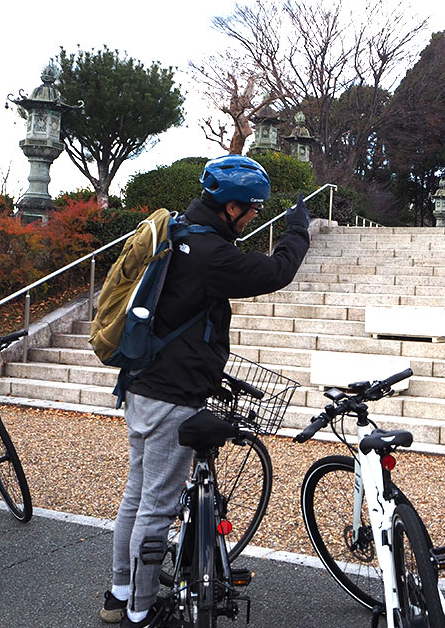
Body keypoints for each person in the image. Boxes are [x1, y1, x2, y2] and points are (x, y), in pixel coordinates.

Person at [99, 154, 311, 627]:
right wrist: (298, 230)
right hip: (172, 395)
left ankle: (119, 593)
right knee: (155, 506)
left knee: (137, 496)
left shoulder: (180, 233)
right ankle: (141, 610)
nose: (256, 214)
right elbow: (276, 272)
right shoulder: (212, 255)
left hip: (142, 386)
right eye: (252, 208)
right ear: (230, 207)